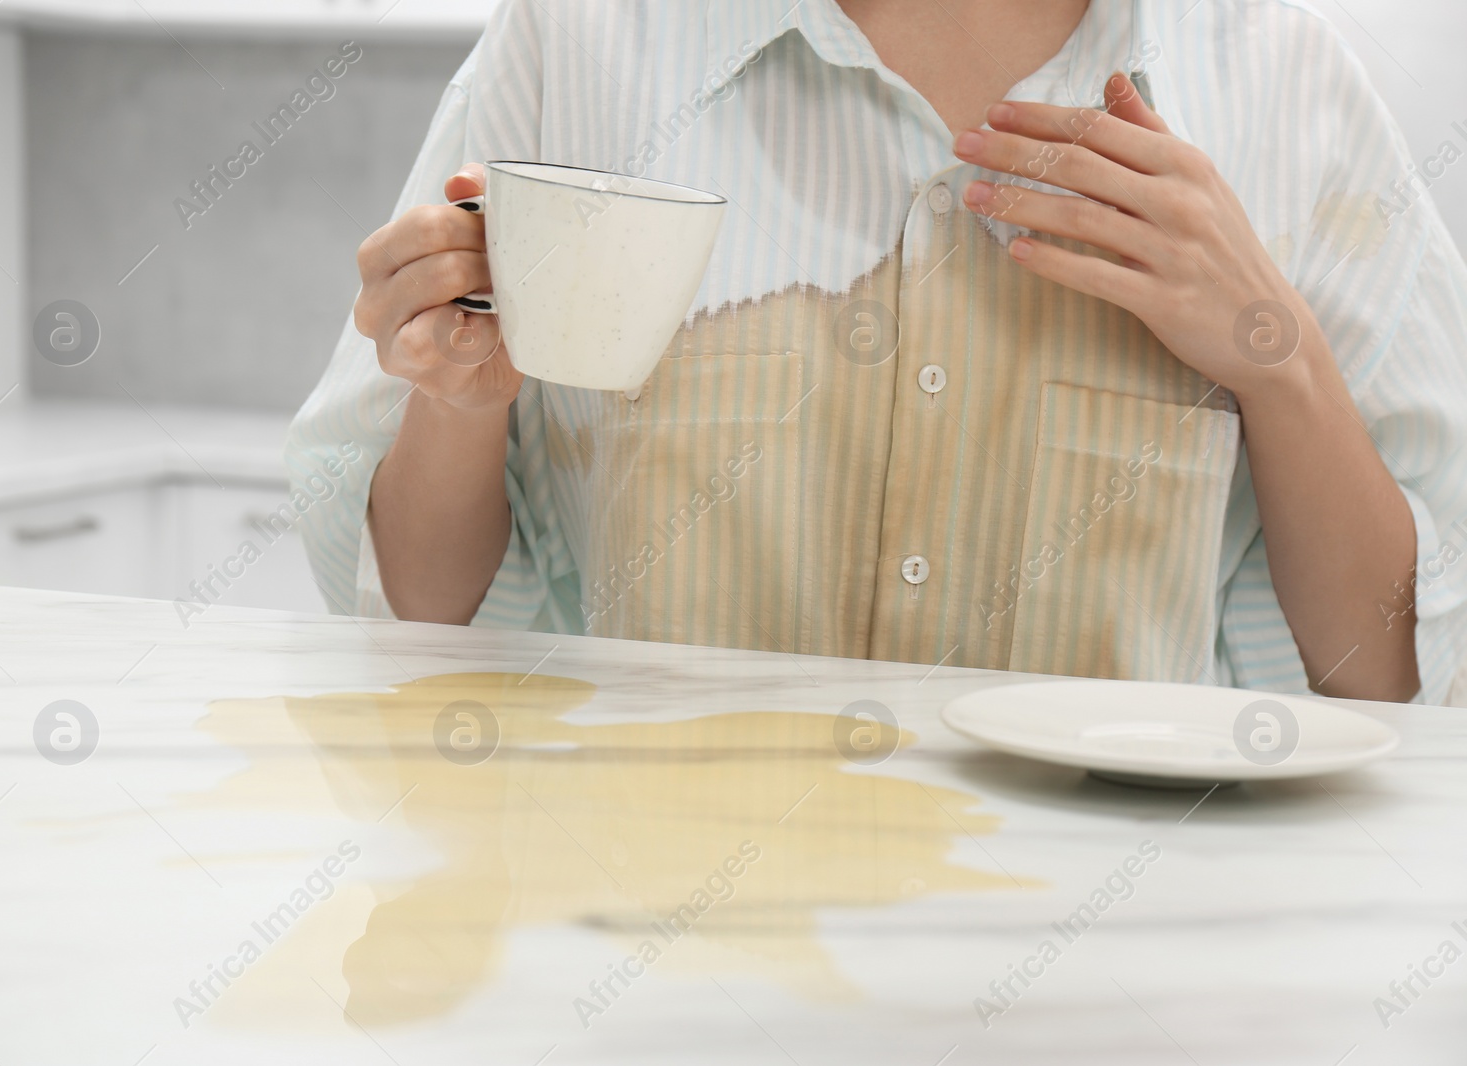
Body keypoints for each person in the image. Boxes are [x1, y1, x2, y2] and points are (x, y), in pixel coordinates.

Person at [288, 0, 1467, 705]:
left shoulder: (1283, 79)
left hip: (1101, 999)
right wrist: (455, 395)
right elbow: (422, 614)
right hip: (650, 973)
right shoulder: (586, 33)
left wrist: (1277, 359)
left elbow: (1386, 678)